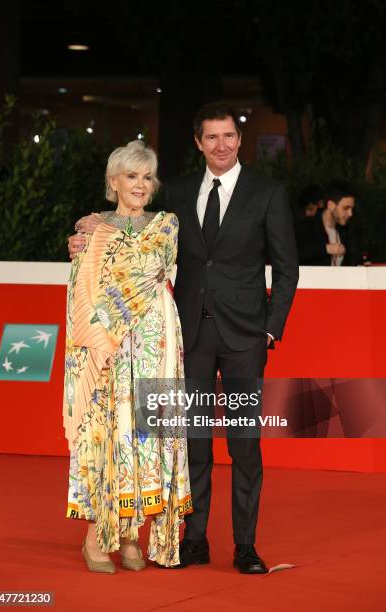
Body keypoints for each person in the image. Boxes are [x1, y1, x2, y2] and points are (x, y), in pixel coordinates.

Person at [69, 102, 299, 574]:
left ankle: (245, 546)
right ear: (198, 142)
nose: (221, 145)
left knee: (244, 444)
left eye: (229, 136)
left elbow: (287, 267)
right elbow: (128, 224)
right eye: (211, 137)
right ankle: (193, 541)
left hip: (243, 339)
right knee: (189, 441)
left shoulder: (268, 193)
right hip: (186, 338)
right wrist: (82, 228)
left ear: (239, 139)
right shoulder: (173, 191)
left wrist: (270, 328)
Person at [63, 140, 192, 574]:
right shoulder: (93, 232)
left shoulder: (166, 225)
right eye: (131, 176)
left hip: (158, 339)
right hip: (112, 345)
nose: (140, 185)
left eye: (146, 177)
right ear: (113, 181)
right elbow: (83, 292)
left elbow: (158, 270)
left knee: (149, 436)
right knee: (115, 432)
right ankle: (97, 535)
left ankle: (133, 535)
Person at [295, 181, 359, 265]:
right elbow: (293, 255)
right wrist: (326, 249)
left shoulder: (347, 232)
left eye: (351, 209)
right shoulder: (305, 228)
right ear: (330, 205)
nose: (350, 213)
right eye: (346, 208)